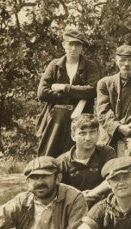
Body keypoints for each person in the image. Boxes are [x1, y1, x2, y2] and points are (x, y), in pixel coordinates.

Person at [35, 27, 102, 157]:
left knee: (77, 155)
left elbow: (92, 90)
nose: (74, 49)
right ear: (64, 45)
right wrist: (75, 93)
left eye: (78, 45)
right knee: (48, 155)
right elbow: (42, 93)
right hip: (56, 116)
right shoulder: (54, 65)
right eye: (71, 44)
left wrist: (65, 88)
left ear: (82, 47)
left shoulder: (90, 66)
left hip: (81, 117)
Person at [95, 44, 131, 156]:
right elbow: (103, 112)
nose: (126, 64)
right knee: (101, 150)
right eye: (122, 60)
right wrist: (119, 127)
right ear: (116, 61)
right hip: (110, 128)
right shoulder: (105, 83)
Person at [54, 113, 117, 202]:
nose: (88, 138)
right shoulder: (61, 162)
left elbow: (112, 177)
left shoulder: (106, 152)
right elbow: (58, 191)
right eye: (82, 133)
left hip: (102, 204)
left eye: (92, 132)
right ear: (73, 136)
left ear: (98, 134)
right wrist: (79, 198)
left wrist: (92, 193)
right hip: (73, 206)